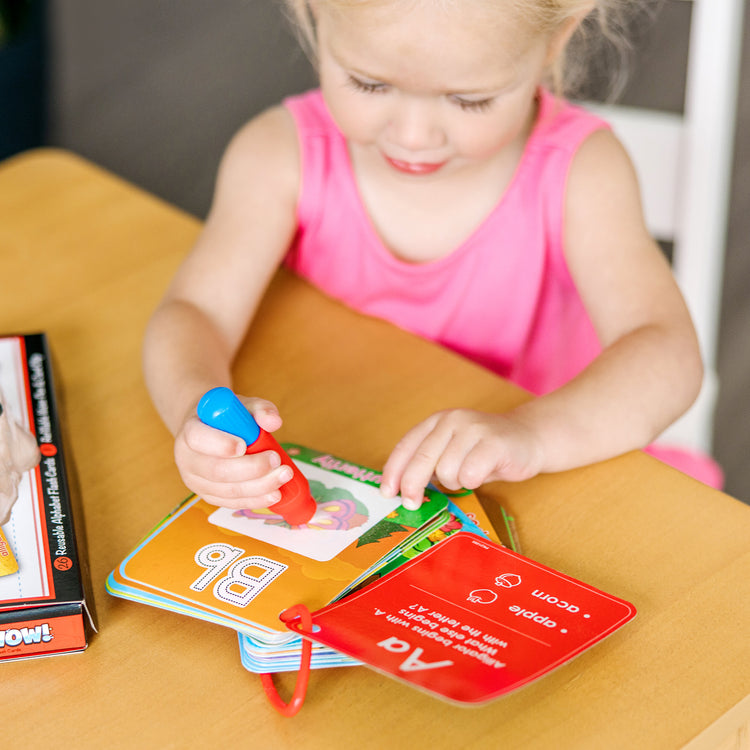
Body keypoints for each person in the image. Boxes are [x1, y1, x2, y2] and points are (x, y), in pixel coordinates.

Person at [143, 0, 716, 516]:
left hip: (546, 477)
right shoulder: (279, 156)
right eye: (368, 85)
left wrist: (532, 435)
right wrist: (198, 416)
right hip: (349, 457)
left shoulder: (582, 173)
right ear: (313, 12)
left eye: (470, 100)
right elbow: (196, 311)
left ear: (556, 39)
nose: (414, 136)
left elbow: (669, 354)